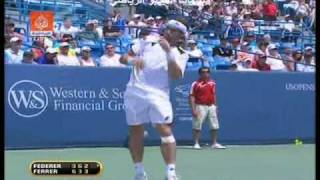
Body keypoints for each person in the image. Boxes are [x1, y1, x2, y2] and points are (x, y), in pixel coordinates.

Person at [119, 20, 189, 180]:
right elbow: (123, 58)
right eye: (169, 29)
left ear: (180, 37)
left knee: (164, 129)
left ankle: (170, 172)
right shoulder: (146, 42)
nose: (170, 32)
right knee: (135, 131)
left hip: (158, 95)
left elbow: (175, 76)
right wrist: (132, 60)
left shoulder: (181, 53)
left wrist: (168, 53)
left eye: (175, 31)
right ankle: (139, 172)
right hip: (134, 91)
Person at [189, 67, 226, 149]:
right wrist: (193, 109)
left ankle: (214, 143)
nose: (205, 73)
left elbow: (214, 94)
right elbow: (191, 97)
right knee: (197, 125)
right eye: (203, 72)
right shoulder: (195, 84)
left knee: (214, 125)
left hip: (211, 106)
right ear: (200, 74)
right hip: (200, 106)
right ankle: (196, 143)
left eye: (207, 72)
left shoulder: (212, 83)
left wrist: (216, 106)